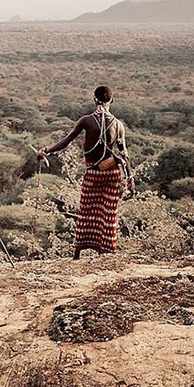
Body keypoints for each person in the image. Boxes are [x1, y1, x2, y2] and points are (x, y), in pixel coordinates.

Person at [37, 86, 134, 260]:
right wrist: (130, 179)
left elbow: (66, 141)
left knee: (87, 211)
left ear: (94, 100)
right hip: (112, 174)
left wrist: (46, 150)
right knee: (108, 213)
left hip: (93, 173)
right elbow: (124, 154)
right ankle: (105, 250)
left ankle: (78, 253)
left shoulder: (87, 120)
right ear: (112, 101)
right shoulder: (118, 125)